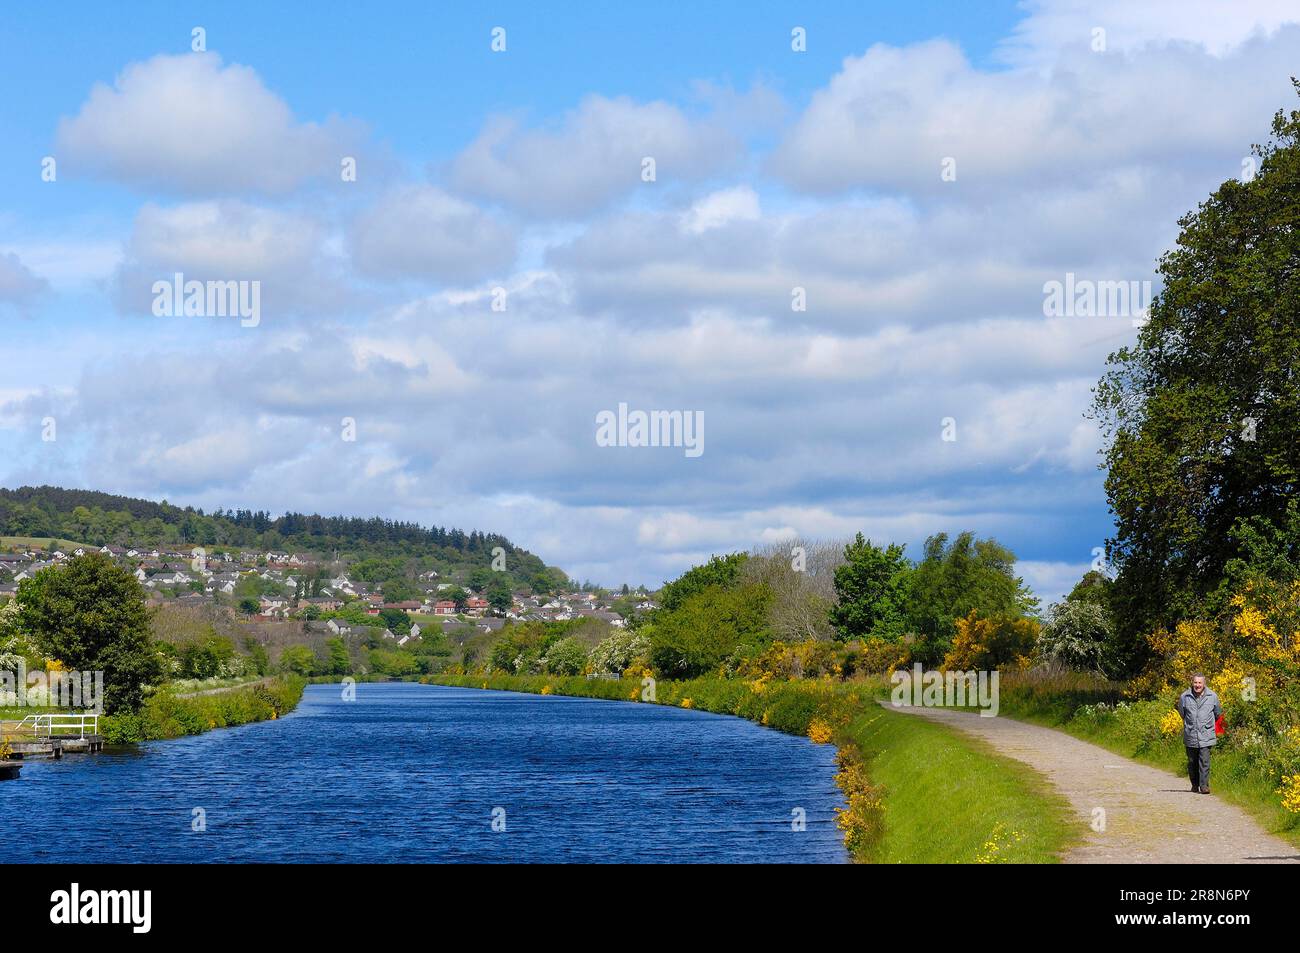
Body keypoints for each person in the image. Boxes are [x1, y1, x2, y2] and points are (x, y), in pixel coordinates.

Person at [1176, 674, 1222, 794]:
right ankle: (1195, 784)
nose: (1197, 685)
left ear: (1204, 684)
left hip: (1206, 734)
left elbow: (1217, 713)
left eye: (1199, 683)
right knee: (1192, 762)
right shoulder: (1184, 697)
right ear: (1192, 683)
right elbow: (1182, 713)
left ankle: (1204, 786)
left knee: (1204, 762)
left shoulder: (1213, 696)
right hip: (1190, 734)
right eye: (1195, 683)